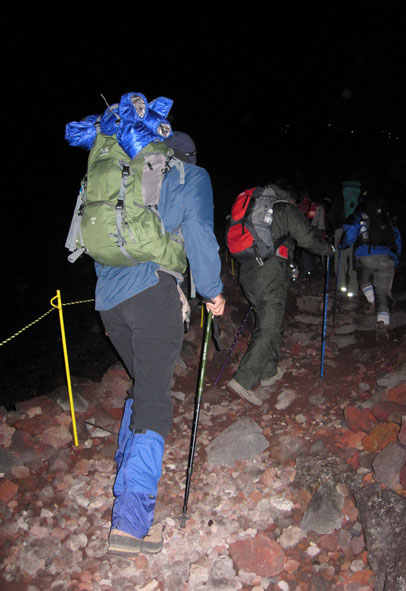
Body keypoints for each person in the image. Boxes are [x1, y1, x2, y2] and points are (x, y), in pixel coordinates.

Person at [96, 128, 225, 556]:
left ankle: (125, 483)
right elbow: (202, 235)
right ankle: (131, 524)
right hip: (154, 295)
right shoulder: (192, 176)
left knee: (143, 387)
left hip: (109, 302)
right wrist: (212, 291)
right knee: (154, 400)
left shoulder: (129, 176)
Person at [227, 182, 333, 406]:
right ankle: (243, 380)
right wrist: (328, 250)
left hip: (248, 272)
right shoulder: (285, 209)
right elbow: (307, 239)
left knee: (268, 321)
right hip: (270, 272)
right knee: (269, 326)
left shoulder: (257, 211)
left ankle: (268, 371)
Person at [339, 197, 401, 342]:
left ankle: (372, 301)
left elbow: (350, 234)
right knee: (384, 290)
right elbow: (397, 240)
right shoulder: (388, 218)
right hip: (387, 257)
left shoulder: (361, 216)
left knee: (364, 280)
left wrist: (342, 245)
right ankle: (382, 322)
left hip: (365, 255)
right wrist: (395, 260)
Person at [327, 180, 364, 298]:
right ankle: (353, 291)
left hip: (340, 231)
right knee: (354, 260)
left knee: (340, 260)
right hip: (357, 232)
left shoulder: (340, 199)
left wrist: (334, 229)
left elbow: (331, 216)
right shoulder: (361, 200)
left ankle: (341, 287)